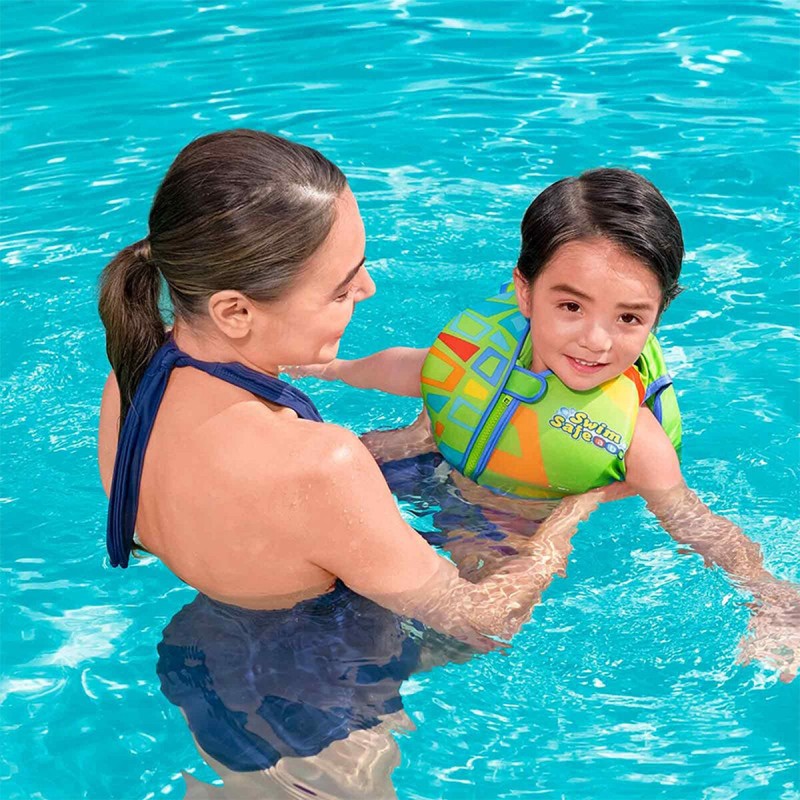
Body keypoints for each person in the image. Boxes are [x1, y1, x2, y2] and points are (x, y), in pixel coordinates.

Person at [97, 129, 600, 795]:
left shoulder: (134, 372)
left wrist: (412, 441)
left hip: (204, 659)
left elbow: (258, 509)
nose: (367, 287)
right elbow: (484, 625)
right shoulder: (322, 465)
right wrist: (570, 514)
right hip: (320, 729)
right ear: (235, 311)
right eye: (339, 287)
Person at [289, 168, 800, 681]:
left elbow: (693, 519)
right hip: (431, 462)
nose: (597, 340)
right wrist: (331, 369)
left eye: (629, 318)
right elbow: (413, 369)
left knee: (479, 627)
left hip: (511, 525)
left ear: (657, 316)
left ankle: (356, 677)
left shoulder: (634, 435)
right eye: (572, 306)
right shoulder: (489, 351)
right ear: (526, 293)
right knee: (309, 487)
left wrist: (773, 597)